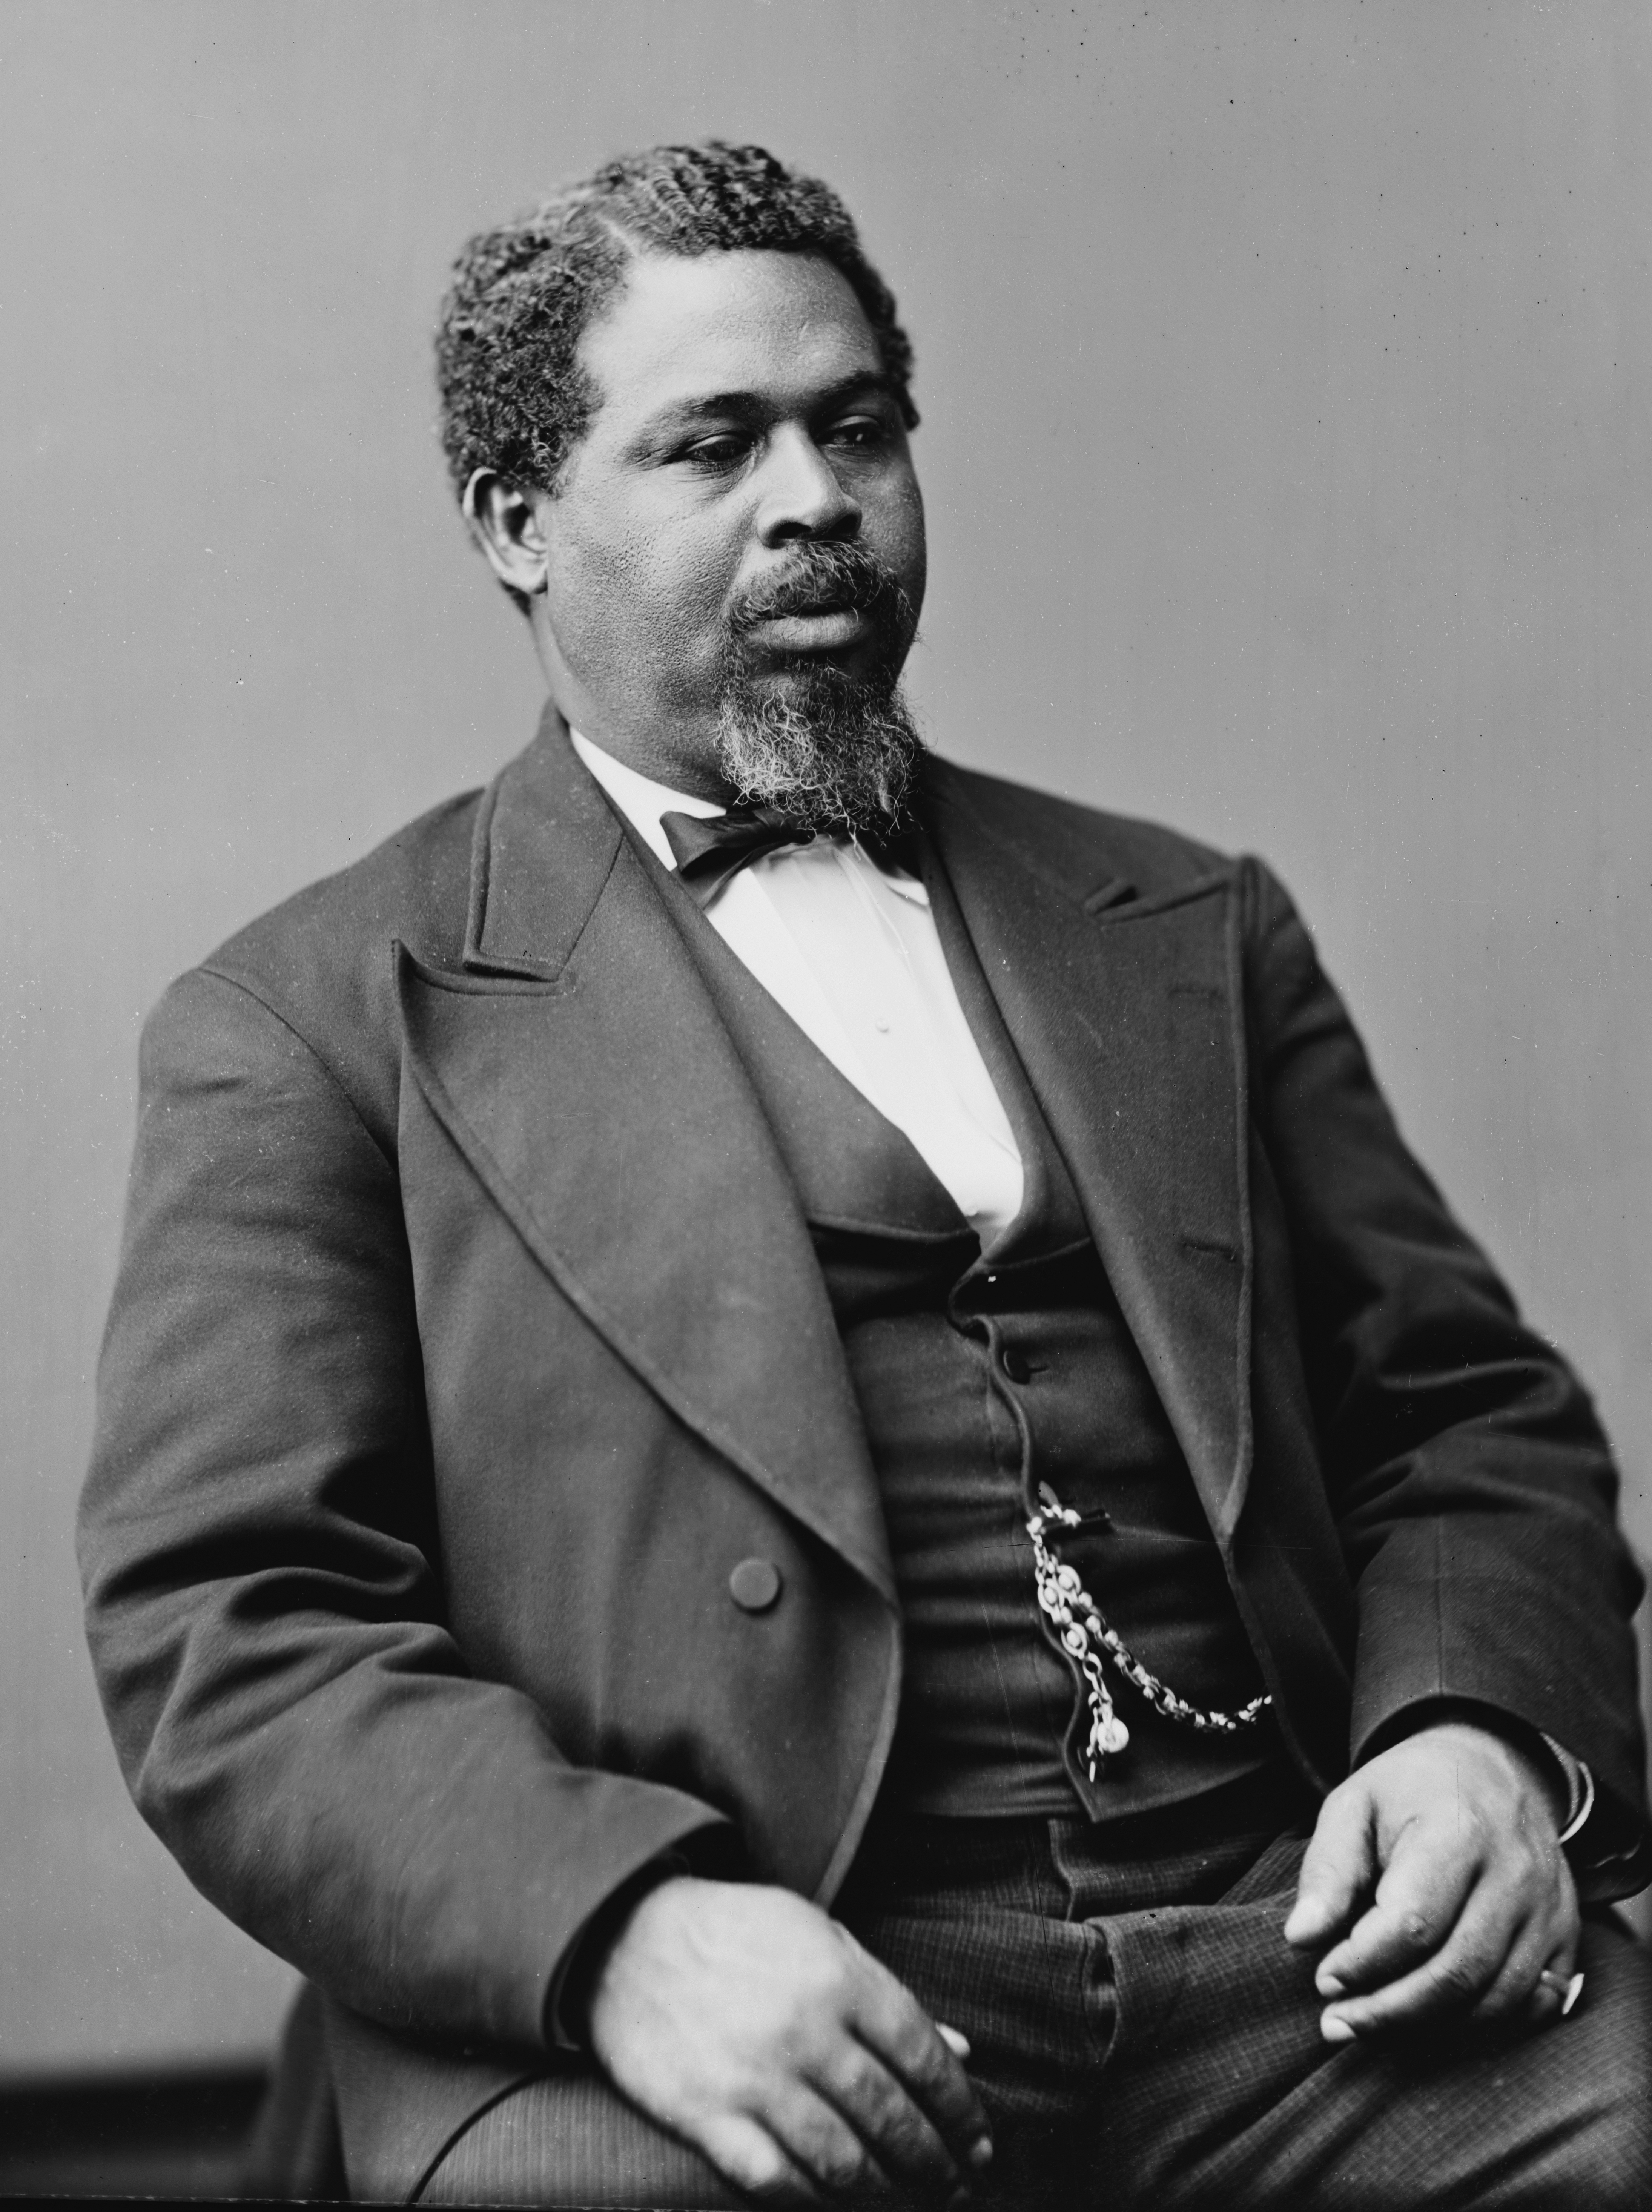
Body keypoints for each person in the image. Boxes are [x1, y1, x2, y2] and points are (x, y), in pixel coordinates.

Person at [80, 141, 1650, 2209]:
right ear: (516, 523)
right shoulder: (311, 1021)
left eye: (863, 429)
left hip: (1296, 1963)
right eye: (714, 445)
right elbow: (236, 1621)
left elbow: (1463, 1413)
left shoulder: (1183, 922)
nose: (817, 497)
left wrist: (1478, 1739)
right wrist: (621, 1930)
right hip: (741, 1960)